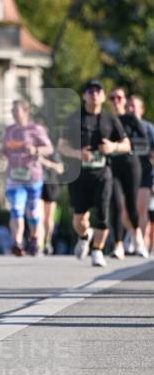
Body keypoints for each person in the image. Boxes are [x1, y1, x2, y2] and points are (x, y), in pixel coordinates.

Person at [58, 79, 130, 267]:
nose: (94, 94)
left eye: (98, 91)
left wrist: (113, 146)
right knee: (79, 219)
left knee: (103, 214)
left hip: (102, 173)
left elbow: (126, 145)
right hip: (79, 174)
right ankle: (84, 236)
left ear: (103, 96)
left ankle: (97, 250)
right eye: (90, 91)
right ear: (84, 96)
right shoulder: (74, 118)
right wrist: (78, 154)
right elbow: (62, 147)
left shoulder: (110, 120)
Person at [2, 99, 53, 257]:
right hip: (14, 177)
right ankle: (17, 242)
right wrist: (1, 152)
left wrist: (36, 150)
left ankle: (34, 238)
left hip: (33, 177)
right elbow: (6, 149)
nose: (13, 113)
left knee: (32, 212)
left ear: (26, 112)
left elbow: (49, 148)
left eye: (16, 110)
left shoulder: (36, 129)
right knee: (16, 209)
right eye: (12, 110)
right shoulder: (9, 130)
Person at [107, 86, 148, 259]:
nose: (116, 101)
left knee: (131, 206)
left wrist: (127, 145)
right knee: (116, 205)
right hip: (112, 167)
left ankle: (137, 235)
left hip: (131, 165)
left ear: (125, 101)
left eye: (119, 98)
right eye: (113, 98)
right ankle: (118, 245)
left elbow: (144, 141)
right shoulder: (105, 119)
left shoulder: (131, 119)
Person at [127, 94, 154, 253]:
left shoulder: (149, 128)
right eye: (128, 106)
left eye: (134, 106)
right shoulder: (122, 125)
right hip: (126, 174)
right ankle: (133, 234)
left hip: (145, 173)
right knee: (124, 210)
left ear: (141, 110)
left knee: (142, 209)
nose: (130, 109)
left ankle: (141, 243)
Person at [40, 149, 65, 255]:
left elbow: (60, 169)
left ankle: (47, 240)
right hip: (37, 186)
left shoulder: (53, 153)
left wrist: (45, 162)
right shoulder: (31, 152)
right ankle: (39, 243)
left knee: (48, 218)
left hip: (51, 186)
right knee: (39, 217)